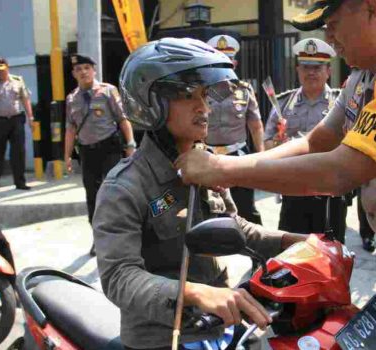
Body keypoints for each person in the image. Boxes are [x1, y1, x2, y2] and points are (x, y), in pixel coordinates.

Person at [178, 0, 376, 348]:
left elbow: (341, 171)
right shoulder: (366, 74)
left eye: (332, 24)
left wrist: (224, 169)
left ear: (371, 9)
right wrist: (230, 169)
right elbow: (318, 141)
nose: (329, 39)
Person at [93, 37, 305, 349]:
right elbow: (118, 278)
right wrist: (192, 293)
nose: (203, 107)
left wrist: (295, 242)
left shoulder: (205, 165)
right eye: (188, 96)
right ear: (152, 102)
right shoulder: (125, 186)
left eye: (204, 95)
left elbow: (234, 228)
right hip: (164, 337)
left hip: (223, 325)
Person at [264, 38, 348, 241]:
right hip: (294, 186)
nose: (311, 72)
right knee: (292, 246)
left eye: (317, 67)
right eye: (306, 67)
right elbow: (268, 142)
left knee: (331, 248)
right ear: (298, 70)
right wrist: (277, 141)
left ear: (328, 71)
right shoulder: (283, 104)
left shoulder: (342, 102)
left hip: (329, 188)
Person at [64, 54, 136, 256]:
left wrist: (130, 145)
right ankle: (99, 239)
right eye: (79, 69)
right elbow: (70, 129)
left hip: (110, 149)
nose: (83, 72)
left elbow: (123, 119)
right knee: (93, 198)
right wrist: (67, 156)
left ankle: (122, 237)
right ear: (73, 74)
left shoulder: (107, 91)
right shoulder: (72, 99)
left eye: (87, 68)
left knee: (114, 194)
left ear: (93, 70)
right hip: (87, 153)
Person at [205, 34, 264, 224]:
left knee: (246, 209)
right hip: (208, 156)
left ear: (234, 64)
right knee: (207, 208)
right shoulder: (200, 91)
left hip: (237, 155)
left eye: (227, 61)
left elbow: (255, 126)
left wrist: (261, 157)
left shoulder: (244, 90)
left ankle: (260, 252)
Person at [0, 57, 34, 190]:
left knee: (18, 151)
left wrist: (31, 118)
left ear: (7, 67)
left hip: (16, 119)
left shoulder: (18, 81)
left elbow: (25, 99)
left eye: (1, 70)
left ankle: (20, 182)